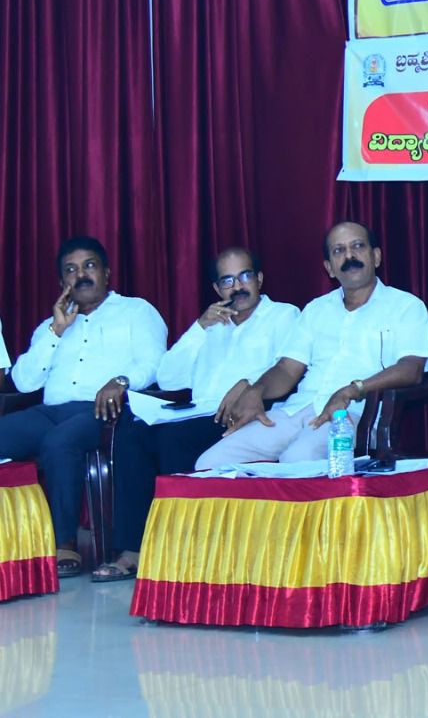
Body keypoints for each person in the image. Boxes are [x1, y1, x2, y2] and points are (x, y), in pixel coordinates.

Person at [89, 246, 300, 582]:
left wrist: (250, 389)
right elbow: (169, 377)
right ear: (217, 289)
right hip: (195, 412)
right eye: (227, 280)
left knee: (173, 441)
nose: (238, 286)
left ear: (259, 279)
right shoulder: (211, 326)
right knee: (131, 431)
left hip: (242, 415)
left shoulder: (284, 316)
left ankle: (181, 549)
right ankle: (133, 549)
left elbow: (286, 369)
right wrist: (200, 327)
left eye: (245, 276)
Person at [196, 221, 428, 467]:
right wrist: (257, 390)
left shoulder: (406, 307)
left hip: (354, 414)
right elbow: (287, 368)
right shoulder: (317, 309)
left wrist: (352, 390)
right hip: (296, 411)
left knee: (297, 460)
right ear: (329, 268)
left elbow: (411, 369)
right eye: (339, 251)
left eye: (357, 246)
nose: (349, 256)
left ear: (376, 257)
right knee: (210, 462)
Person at [0, 236, 167, 577]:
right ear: (62, 282)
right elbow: (24, 381)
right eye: (71, 270)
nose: (81, 275)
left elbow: (154, 364)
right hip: (51, 412)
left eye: (89, 266)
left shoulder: (136, 311)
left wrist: (121, 380)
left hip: (105, 411)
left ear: (106, 272)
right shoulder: (53, 325)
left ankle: (65, 544)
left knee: (60, 441)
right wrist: (56, 331)